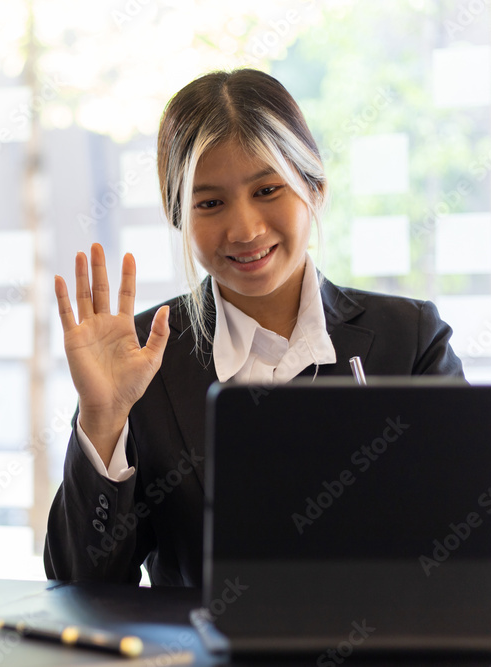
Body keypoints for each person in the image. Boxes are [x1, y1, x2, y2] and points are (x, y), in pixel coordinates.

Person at [44, 69, 464, 586]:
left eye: (267, 189)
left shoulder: (411, 339)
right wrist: (103, 419)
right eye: (210, 203)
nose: (244, 229)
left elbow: (468, 549)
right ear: (180, 216)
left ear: (315, 189)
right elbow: (79, 584)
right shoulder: (141, 356)